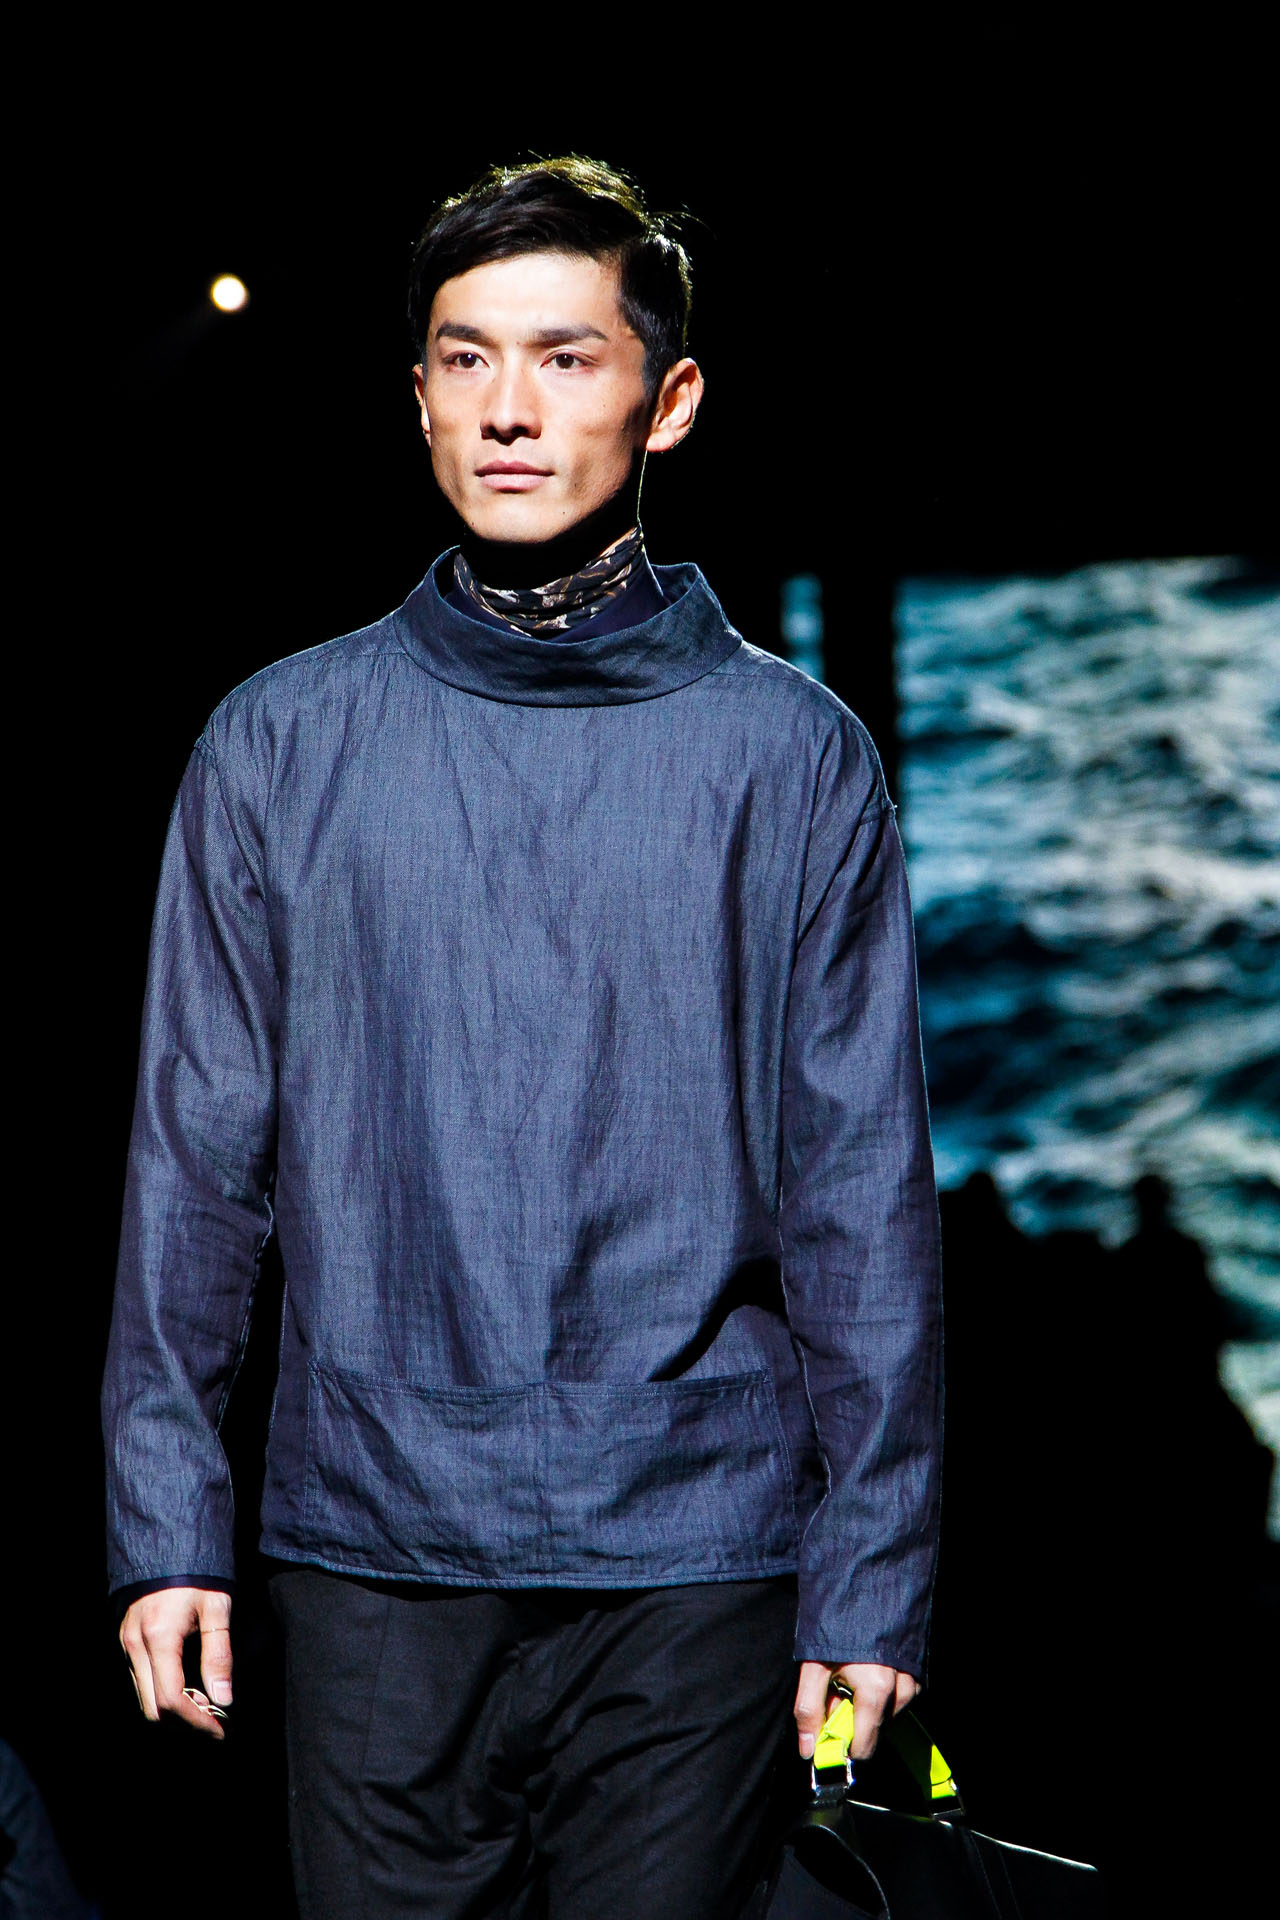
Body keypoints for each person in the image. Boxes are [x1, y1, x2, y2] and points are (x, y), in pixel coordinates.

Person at [103, 156, 944, 1919]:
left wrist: (871, 1576)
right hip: (372, 1549)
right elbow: (196, 1167)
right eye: (465, 358)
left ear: (669, 398)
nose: (508, 408)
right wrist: (166, 1523)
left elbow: (860, 1194)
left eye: (565, 358)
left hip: (697, 1558)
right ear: (415, 395)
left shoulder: (792, 759)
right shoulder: (278, 745)